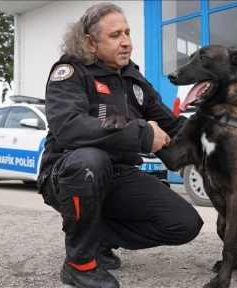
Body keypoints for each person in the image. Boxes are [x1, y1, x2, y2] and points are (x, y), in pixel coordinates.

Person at [38, 3, 204, 288]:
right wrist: (140, 132)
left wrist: (223, 129)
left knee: (184, 223)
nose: (126, 42)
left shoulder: (134, 79)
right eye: (115, 35)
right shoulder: (70, 73)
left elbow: (173, 126)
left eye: (127, 33)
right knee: (91, 160)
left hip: (119, 174)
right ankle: (80, 264)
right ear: (90, 43)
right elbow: (68, 127)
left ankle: (98, 238)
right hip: (68, 173)